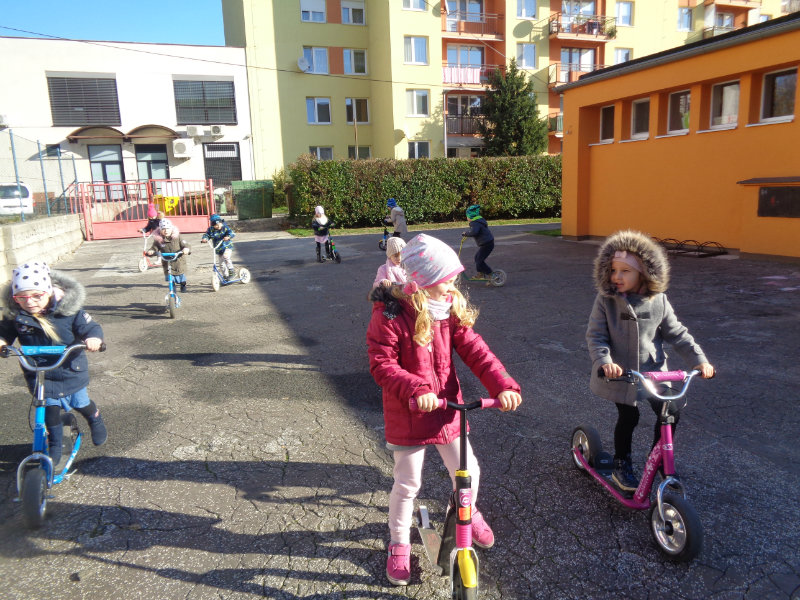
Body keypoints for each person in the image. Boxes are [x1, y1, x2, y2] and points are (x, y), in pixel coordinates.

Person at [366, 233, 522, 586]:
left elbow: (477, 351)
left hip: (447, 409)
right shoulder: (390, 315)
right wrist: (416, 387)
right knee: (408, 483)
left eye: (454, 280)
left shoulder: (448, 310)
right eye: (446, 280)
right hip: (409, 411)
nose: (453, 287)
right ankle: (399, 543)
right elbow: (382, 363)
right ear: (421, 282)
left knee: (469, 472)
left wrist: (502, 385)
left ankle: (462, 512)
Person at [586, 229, 715, 493]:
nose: (617, 276)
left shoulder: (659, 301)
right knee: (629, 416)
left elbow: (678, 334)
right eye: (613, 270)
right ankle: (621, 463)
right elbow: (596, 336)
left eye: (625, 271)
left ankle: (659, 457)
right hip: (621, 374)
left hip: (654, 372)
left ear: (643, 273)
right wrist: (605, 361)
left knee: (671, 410)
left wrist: (699, 361)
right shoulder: (606, 301)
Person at [0, 261, 107, 467]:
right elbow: (4, 331)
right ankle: (56, 444)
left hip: (69, 369)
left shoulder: (68, 311)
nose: (29, 302)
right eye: (21, 297)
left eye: (36, 296)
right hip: (40, 373)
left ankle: (95, 418)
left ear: (48, 292)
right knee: (50, 412)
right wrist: (2, 341)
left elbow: (90, 327)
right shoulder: (17, 316)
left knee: (81, 403)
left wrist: (93, 339)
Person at [147, 218, 191, 292]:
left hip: (178, 261)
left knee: (181, 276)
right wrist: (151, 251)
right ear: (160, 230)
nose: (166, 231)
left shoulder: (177, 237)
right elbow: (154, 247)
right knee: (170, 278)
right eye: (163, 229)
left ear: (171, 229)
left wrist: (186, 249)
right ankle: (172, 292)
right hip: (167, 261)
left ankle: (183, 285)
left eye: (168, 228)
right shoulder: (159, 239)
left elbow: (185, 244)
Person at [462, 204, 495, 281]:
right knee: (477, 258)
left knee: (479, 260)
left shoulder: (475, 223)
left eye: (467, 216)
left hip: (487, 244)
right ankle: (480, 274)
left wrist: (466, 233)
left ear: (470, 216)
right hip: (487, 243)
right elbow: (475, 231)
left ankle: (491, 274)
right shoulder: (478, 221)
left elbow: (474, 232)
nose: (467, 218)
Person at [201, 214, 237, 279]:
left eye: (219, 224)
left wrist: (228, 236)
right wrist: (205, 239)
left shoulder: (225, 228)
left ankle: (232, 272)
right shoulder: (211, 230)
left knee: (226, 257)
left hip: (227, 246)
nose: (218, 226)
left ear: (221, 223)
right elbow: (207, 235)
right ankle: (225, 276)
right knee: (221, 264)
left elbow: (231, 233)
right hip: (218, 248)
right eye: (216, 225)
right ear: (213, 225)